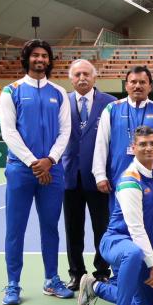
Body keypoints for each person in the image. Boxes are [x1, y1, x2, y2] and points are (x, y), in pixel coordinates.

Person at [0, 39, 72, 305]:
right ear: (27, 59)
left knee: (50, 227)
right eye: (35, 55)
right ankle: (13, 283)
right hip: (20, 170)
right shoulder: (11, 91)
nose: (40, 60)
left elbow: (66, 131)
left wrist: (50, 160)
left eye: (44, 56)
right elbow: (9, 132)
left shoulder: (59, 92)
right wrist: (33, 162)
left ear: (49, 61)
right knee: (15, 229)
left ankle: (51, 279)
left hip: (52, 171)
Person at [78, 126, 153, 305]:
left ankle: (95, 286)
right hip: (118, 242)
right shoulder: (129, 181)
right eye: (143, 144)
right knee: (134, 253)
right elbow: (136, 230)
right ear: (133, 148)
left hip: (141, 247)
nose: (149, 148)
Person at [62, 59, 116, 290]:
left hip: (99, 178)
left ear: (95, 77)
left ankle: (102, 271)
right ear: (71, 79)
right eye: (77, 74)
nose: (82, 78)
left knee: (102, 228)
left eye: (86, 74)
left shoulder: (111, 103)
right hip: (70, 177)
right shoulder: (61, 102)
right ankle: (76, 273)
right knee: (73, 229)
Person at [92, 65, 153, 206]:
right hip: (119, 174)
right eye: (133, 82)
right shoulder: (112, 109)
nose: (137, 86)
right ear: (126, 86)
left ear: (150, 86)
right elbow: (101, 144)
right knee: (120, 222)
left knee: (151, 221)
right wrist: (100, 175)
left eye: (142, 82)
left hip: (152, 176)